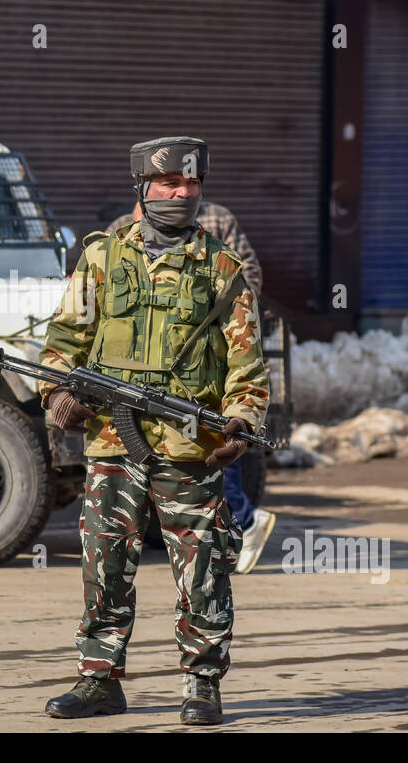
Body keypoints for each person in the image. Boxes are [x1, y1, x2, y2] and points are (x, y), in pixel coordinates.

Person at [38, 136, 270, 725]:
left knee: (203, 565)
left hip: (190, 447)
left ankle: (201, 685)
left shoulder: (221, 269)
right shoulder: (101, 260)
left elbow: (247, 367)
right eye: (169, 184)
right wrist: (58, 392)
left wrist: (242, 420)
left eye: (191, 185)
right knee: (104, 560)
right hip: (114, 444)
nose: (181, 194)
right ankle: (99, 680)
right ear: (143, 188)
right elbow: (63, 343)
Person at [107, 201, 276, 575]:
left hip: (203, 368)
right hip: (141, 372)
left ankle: (239, 528)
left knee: (210, 452)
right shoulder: (119, 228)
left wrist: (215, 325)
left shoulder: (218, 220)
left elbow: (248, 278)